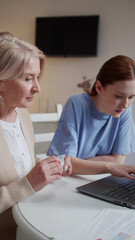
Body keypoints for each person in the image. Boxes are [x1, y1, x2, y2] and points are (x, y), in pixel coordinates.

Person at [0, 32, 71, 240]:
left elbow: (17, 163)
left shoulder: (22, 115)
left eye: (37, 77)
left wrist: (50, 166)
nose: (37, 88)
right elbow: (22, 182)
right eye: (28, 78)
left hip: (32, 221)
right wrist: (29, 183)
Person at [48, 55, 135, 179]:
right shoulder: (76, 105)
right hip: (69, 181)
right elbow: (65, 163)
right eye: (118, 96)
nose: (125, 104)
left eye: (131, 97)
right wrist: (108, 165)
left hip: (96, 180)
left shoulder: (124, 111)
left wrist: (80, 163)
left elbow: (118, 161)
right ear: (99, 88)